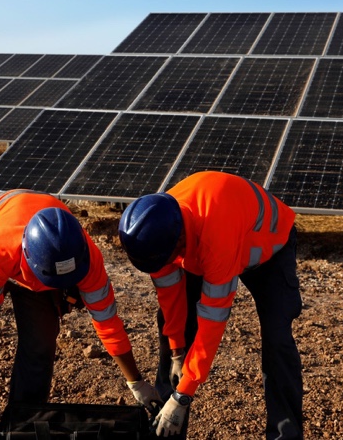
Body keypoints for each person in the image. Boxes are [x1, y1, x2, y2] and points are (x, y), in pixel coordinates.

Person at [0, 189, 161, 439]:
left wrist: (136, 382)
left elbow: (108, 323)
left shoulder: (87, 260)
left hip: (44, 265)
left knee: (40, 345)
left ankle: (23, 429)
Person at [118, 171, 303, 439]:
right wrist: (177, 351)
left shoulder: (215, 237)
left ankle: (285, 435)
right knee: (168, 328)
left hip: (269, 246)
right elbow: (172, 299)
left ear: (178, 241)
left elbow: (213, 321)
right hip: (205, 243)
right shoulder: (154, 234)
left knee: (277, 340)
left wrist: (184, 394)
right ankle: (165, 430)